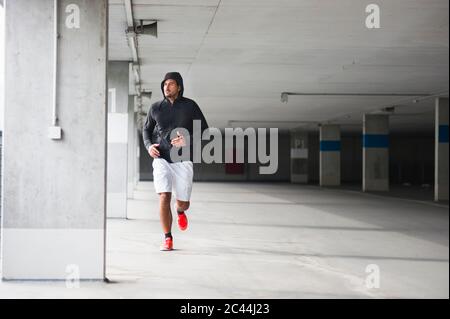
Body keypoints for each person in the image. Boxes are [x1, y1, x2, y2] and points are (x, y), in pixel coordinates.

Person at [142, 72, 208, 251]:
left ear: (179, 87)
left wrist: (187, 140)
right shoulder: (156, 107)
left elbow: (204, 130)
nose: (166, 87)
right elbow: (146, 130)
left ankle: (180, 211)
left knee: (183, 202)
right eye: (164, 84)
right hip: (161, 157)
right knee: (164, 196)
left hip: (183, 159)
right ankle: (167, 238)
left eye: (171, 84)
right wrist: (149, 146)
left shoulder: (190, 106)